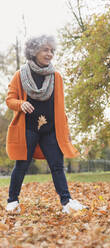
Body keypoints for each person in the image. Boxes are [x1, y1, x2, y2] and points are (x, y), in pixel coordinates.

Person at [5, 35, 87, 213]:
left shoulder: (56, 77)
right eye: (45, 50)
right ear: (34, 52)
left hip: (51, 130)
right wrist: (20, 104)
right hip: (27, 128)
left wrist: (66, 130)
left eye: (52, 50)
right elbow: (9, 99)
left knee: (57, 165)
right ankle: (12, 201)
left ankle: (66, 202)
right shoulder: (20, 75)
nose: (50, 54)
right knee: (22, 165)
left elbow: (61, 107)